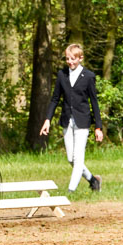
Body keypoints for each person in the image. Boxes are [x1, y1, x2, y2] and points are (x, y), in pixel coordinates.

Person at [39, 43, 103, 193]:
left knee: (78, 158)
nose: (70, 61)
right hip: (67, 120)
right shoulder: (62, 75)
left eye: (73, 59)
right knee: (71, 159)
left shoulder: (88, 76)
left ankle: (70, 191)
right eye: (67, 58)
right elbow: (55, 99)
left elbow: (94, 102)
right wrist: (47, 119)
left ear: (80, 58)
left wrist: (98, 127)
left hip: (83, 122)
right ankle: (94, 180)